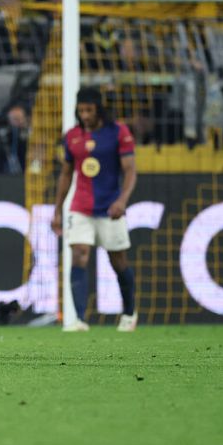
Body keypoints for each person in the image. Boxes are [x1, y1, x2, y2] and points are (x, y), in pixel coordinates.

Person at [51, 88, 138, 332]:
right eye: (81, 111)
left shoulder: (118, 132)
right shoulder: (72, 136)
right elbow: (66, 174)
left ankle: (129, 313)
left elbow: (130, 170)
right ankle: (79, 320)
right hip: (80, 206)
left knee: (118, 260)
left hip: (110, 207)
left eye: (89, 110)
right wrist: (57, 210)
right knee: (79, 253)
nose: (85, 115)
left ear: (99, 109)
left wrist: (122, 200)